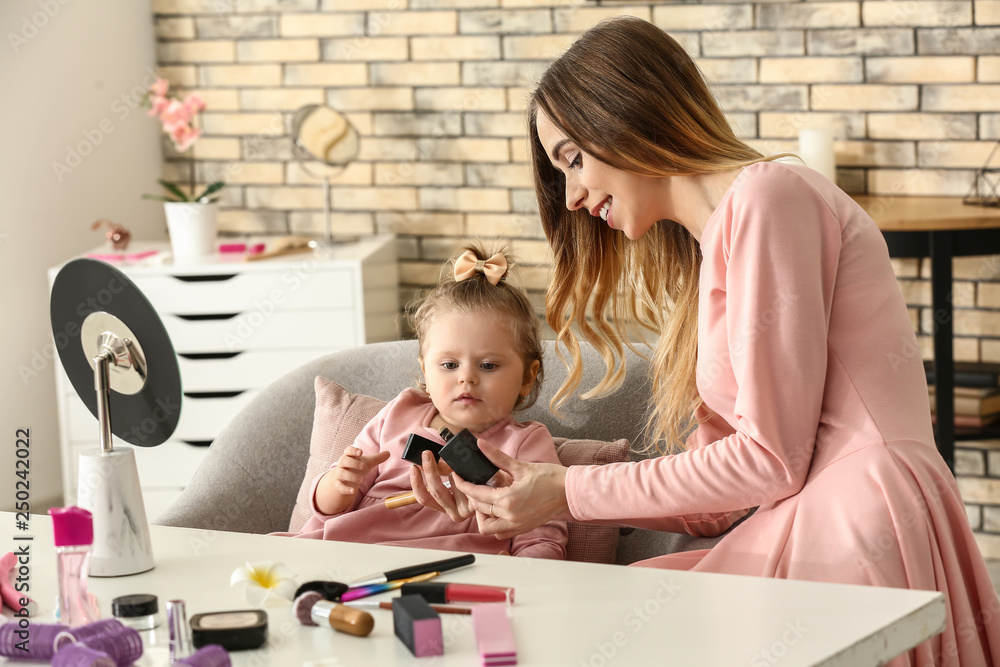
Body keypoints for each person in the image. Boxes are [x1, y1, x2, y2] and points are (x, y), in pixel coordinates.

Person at [411, 16, 1000, 665]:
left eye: (573, 159)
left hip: (857, 522)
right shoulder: (718, 247)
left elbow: (772, 460)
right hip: (827, 518)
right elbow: (718, 505)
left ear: (626, 115)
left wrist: (565, 489)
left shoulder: (770, 198)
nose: (573, 196)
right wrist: (537, 483)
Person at [285, 243, 567, 559]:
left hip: (456, 575)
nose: (467, 378)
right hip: (349, 555)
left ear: (528, 377)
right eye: (449, 365)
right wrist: (340, 483)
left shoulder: (524, 445)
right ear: (425, 370)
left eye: (488, 365)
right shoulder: (397, 414)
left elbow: (542, 540)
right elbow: (326, 509)